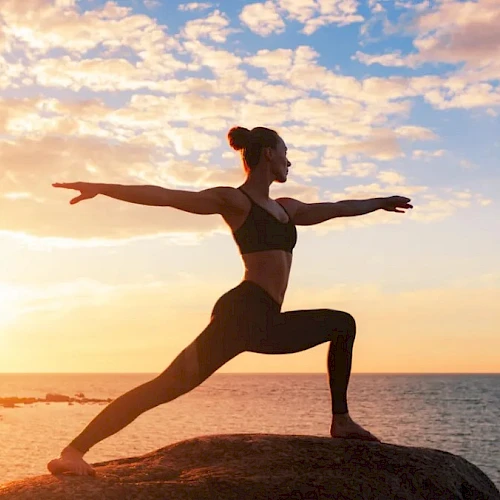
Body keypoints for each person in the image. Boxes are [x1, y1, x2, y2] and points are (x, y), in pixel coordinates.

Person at [48, 126, 413, 476]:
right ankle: (73, 452)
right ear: (268, 154)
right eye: (286, 154)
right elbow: (166, 195)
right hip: (241, 314)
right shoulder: (235, 201)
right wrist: (99, 188)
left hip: (267, 319)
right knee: (167, 386)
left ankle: (341, 421)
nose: (290, 162)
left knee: (342, 323)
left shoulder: (288, 209)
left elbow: (337, 207)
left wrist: (381, 202)